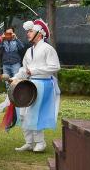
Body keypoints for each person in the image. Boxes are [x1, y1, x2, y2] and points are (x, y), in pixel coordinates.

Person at [11, 19, 60, 153]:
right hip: (29, 84)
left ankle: (40, 142)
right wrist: (14, 78)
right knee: (22, 113)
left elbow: (55, 67)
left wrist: (34, 71)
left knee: (34, 113)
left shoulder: (48, 49)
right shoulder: (29, 51)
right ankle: (29, 142)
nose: (27, 33)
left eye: (31, 31)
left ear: (40, 33)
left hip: (43, 84)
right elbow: (24, 69)